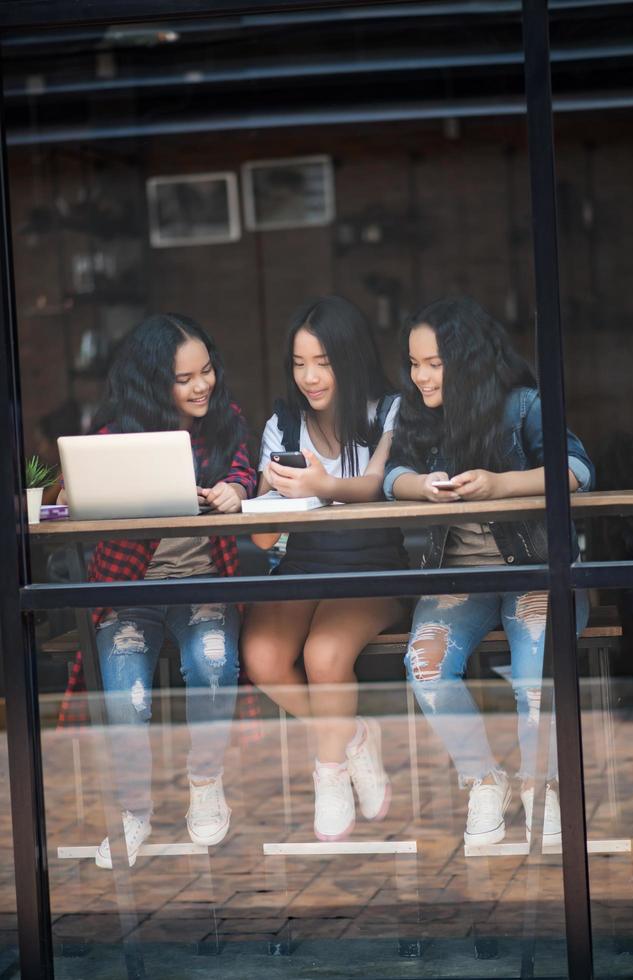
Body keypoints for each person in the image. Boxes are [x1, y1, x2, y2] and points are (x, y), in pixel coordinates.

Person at [383, 297, 594, 846]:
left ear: (468, 360)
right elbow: (393, 475)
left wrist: (500, 485)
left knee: (536, 678)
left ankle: (540, 785)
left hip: (535, 571)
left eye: (434, 363)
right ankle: (483, 778)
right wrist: (421, 487)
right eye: (414, 363)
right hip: (460, 580)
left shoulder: (522, 406)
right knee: (426, 668)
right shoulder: (416, 413)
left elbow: (576, 470)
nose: (421, 375)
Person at [60, 313, 256, 867]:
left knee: (213, 665)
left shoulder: (227, 422)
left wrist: (234, 492)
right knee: (127, 697)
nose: (201, 386)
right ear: (153, 381)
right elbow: (78, 506)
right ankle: (133, 810)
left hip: (202, 586)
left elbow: (246, 473)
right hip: (130, 591)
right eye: (184, 378)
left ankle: (205, 782)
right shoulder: (113, 441)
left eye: (207, 371)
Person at [241, 296, 407, 842]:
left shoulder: (389, 412)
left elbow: (378, 484)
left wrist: (321, 487)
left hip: (372, 566)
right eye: (298, 362)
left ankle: (329, 771)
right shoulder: (283, 425)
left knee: (323, 654)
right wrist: (266, 493)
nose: (309, 377)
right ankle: (353, 734)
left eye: (323, 362)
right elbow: (265, 536)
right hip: (304, 563)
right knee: (263, 656)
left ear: (350, 358)